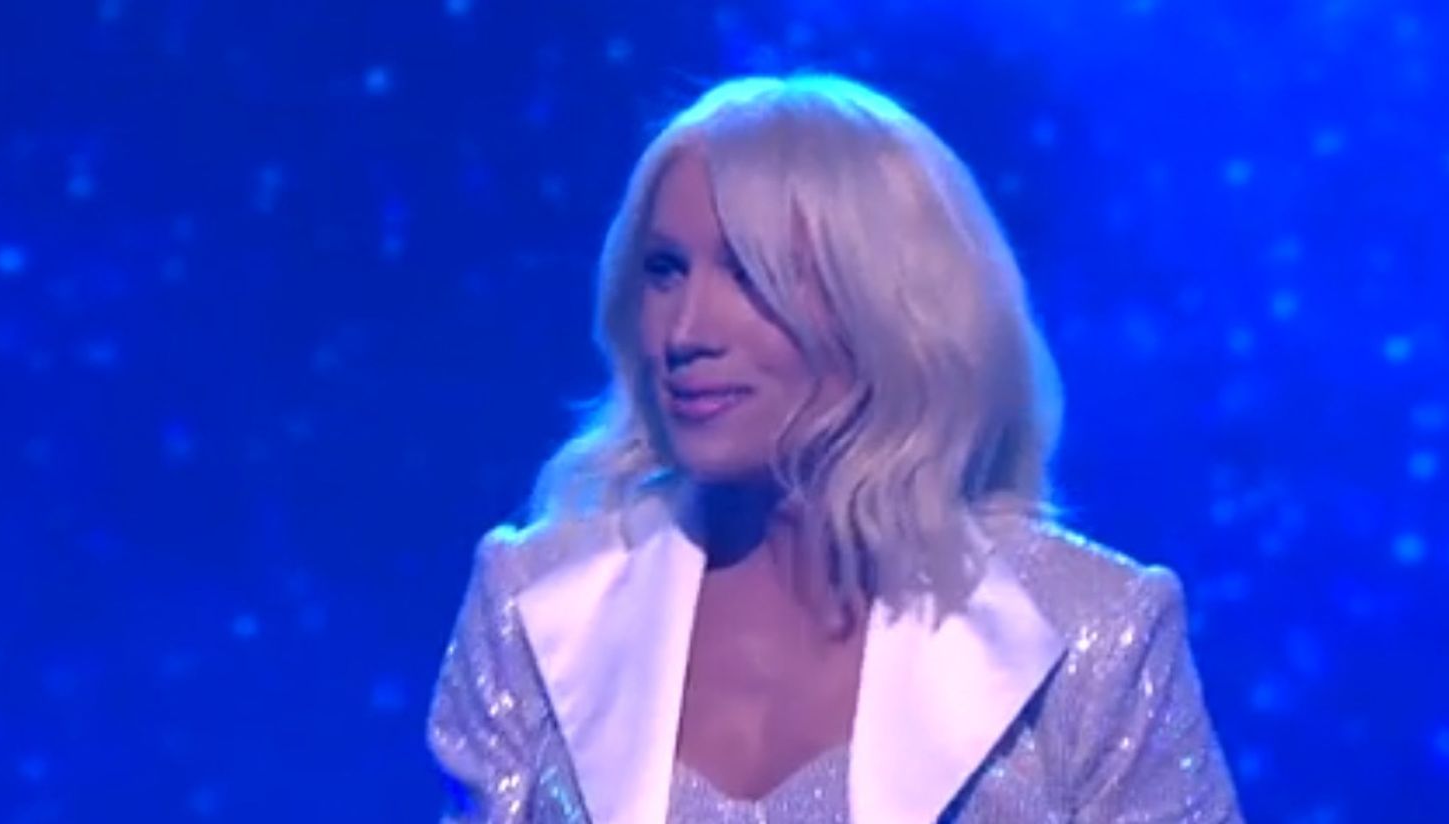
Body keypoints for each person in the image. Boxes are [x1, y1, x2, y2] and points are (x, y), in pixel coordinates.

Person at [426, 73, 1242, 823]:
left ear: (887, 308)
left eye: (749, 274)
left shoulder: (1093, 634)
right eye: (665, 270)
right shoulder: (531, 601)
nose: (685, 331)